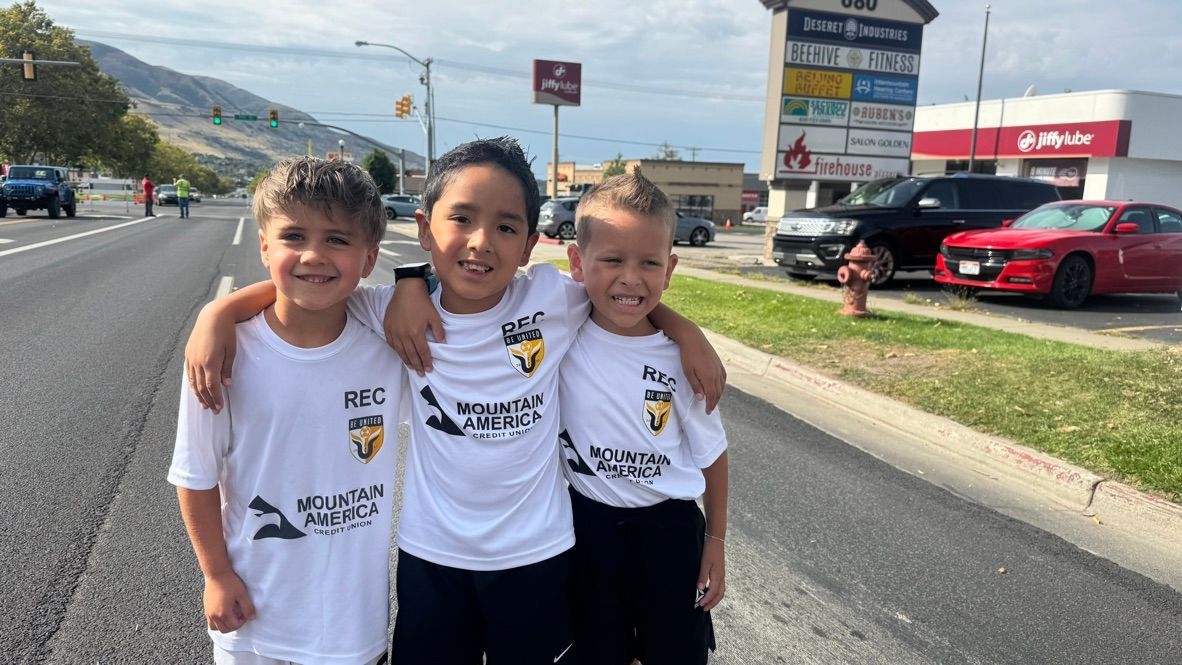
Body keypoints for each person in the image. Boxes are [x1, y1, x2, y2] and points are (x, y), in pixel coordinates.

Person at [183, 137, 725, 665]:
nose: (480, 241)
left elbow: (625, 291)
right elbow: (311, 290)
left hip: (537, 555)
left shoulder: (552, 298)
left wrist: (685, 332)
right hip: (432, 557)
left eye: (506, 226)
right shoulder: (385, 311)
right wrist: (217, 314)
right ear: (424, 229)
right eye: (461, 219)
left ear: (531, 243)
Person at [169, 157, 406, 665]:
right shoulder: (222, 357)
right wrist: (215, 575)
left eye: (338, 240)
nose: (314, 255)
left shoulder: (389, 350)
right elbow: (195, 475)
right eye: (294, 236)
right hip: (254, 615)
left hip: (349, 623)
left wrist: (219, 307)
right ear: (263, 246)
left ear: (369, 259)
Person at [560, 168, 728, 665]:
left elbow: (713, 453)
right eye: (612, 259)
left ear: (670, 269)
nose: (630, 278)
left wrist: (716, 542)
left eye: (649, 263)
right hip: (585, 528)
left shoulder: (681, 359)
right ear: (577, 261)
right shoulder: (556, 328)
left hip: (669, 533)